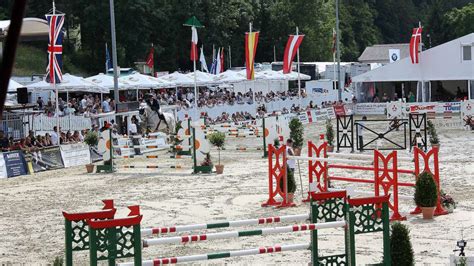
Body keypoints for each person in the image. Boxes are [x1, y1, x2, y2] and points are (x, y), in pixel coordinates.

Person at [279, 139, 297, 203]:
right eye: (291, 143)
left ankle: (286, 193)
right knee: (291, 180)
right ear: (290, 143)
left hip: (286, 165)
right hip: (290, 166)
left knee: (286, 179)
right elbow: (292, 155)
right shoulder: (289, 148)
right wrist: (296, 154)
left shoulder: (283, 148)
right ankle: (289, 193)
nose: (292, 144)